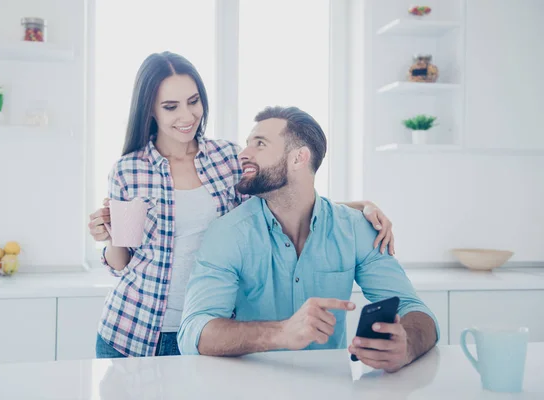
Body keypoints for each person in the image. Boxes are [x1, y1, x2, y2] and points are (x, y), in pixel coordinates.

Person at [88, 52, 396, 358]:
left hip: (211, 331)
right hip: (134, 331)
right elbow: (122, 263)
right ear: (151, 110)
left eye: (193, 102)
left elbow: (282, 204)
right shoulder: (128, 170)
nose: (187, 116)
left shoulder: (228, 159)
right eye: (171, 107)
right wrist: (112, 236)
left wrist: (360, 207)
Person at [178, 106, 439, 373]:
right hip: (251, 385)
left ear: (299, 158)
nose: (243, 154)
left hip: (330, 386)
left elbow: (415, 310)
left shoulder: (356, 229)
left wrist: (406, 345)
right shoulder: (228, 233)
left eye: (260, 144)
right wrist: (280, 333)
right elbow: (193, 330)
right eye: (247, 144)